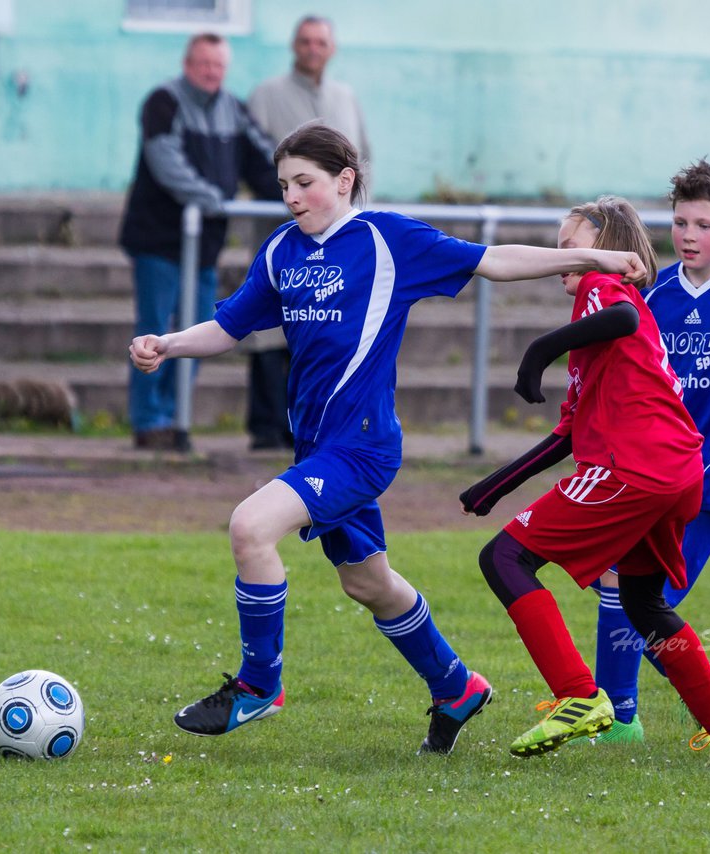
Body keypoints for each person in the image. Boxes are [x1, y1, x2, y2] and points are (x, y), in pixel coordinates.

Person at [129, 124, 647, 755]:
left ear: (344, 181)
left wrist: (591, 258)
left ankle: (258, 685)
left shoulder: (387, 239)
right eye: (284, 185)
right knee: (368, 584)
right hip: (316, 447)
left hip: (363, 447)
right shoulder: (282, 252)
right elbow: (230, 326)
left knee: (250, 527)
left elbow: (492, 260)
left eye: (305, 183)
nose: (292, 196)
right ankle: (456, 686)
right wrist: (167, 344)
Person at [463, 169, 710, 745]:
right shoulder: (639, 304)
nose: (558, 256)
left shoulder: (612, 289)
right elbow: (570, 428)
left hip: (664, 472)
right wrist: (491, 487)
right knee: (641, 601)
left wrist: (537, 351)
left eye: (570, 246)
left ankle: (596, 705)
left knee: (512, 562)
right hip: (676, 471)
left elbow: (628, 318)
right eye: (680, 222)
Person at [118, 33, 282, 452]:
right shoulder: (163, 102)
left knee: (194, 333)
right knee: (153, 332)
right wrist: (211, 198)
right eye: (204, 64)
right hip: (160, 241)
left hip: (204, 245)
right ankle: (150, 421)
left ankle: (177, 417)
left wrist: (292, 193)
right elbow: (166, 161)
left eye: (218, 66)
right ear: (188, 63)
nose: (211, 72)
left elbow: (263, 159)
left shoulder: (234, 110)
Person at [241, 15, 372, 451]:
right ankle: (265, 426)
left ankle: (316, 424)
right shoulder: (266, 95)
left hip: (338, 242)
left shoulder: (345, 97)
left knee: (320, 326)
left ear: (331, 48)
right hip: (285, 234)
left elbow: (361, 158)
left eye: (320, 41)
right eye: (305, 41)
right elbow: (256, 156)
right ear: (294, 46)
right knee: (267, 326)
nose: (313, 48)